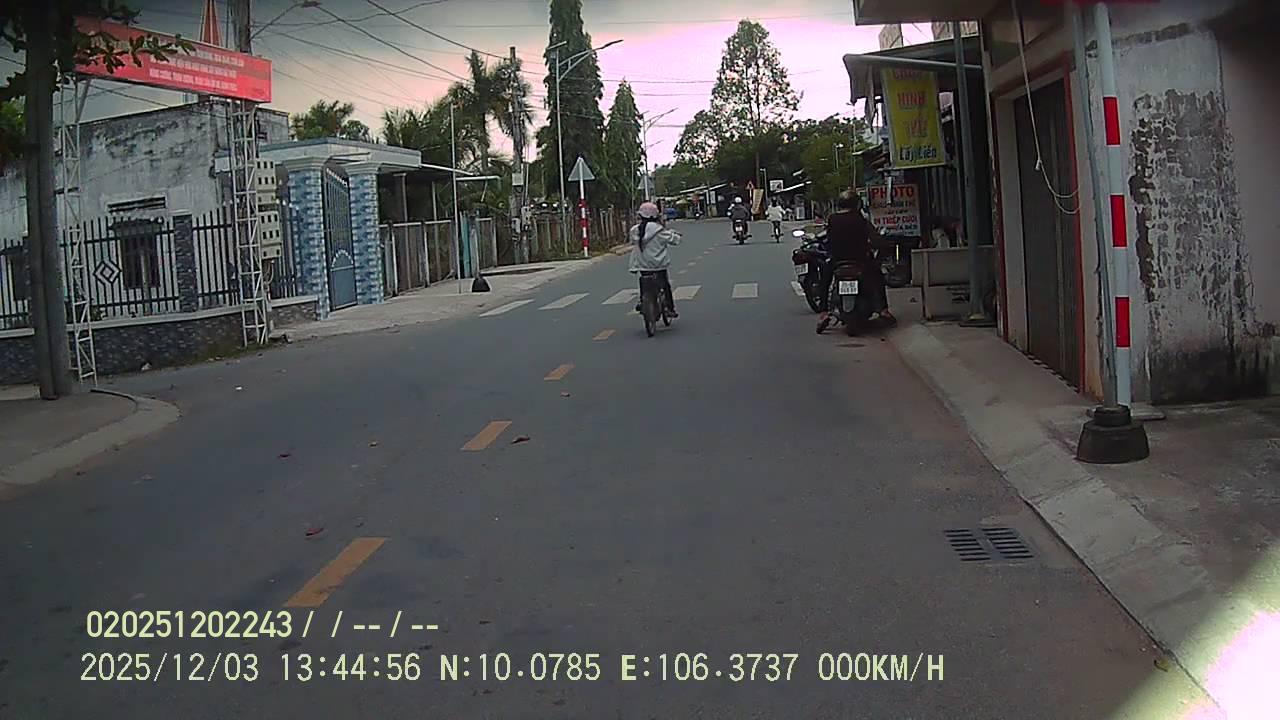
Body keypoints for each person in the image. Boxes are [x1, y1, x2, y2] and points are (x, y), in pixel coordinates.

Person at [817, 190, 895, 332]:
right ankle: (883, 310)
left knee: (825, 280)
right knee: (877, 277)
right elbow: (875, 239)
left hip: (837, 261)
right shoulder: (860, 219)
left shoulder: (832, 219)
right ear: (857, 204)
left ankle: (823, 313)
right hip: (860, 260)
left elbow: (827, 239)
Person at [629, 201, 681, 317]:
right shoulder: (659, 230)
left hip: (643, 265)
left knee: (644, 283)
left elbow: (632, 242)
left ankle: (642, 300)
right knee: (665, 285)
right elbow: (674, 240)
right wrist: (676, 235)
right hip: (659, 265)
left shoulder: (635, 230)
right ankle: (670, 308)